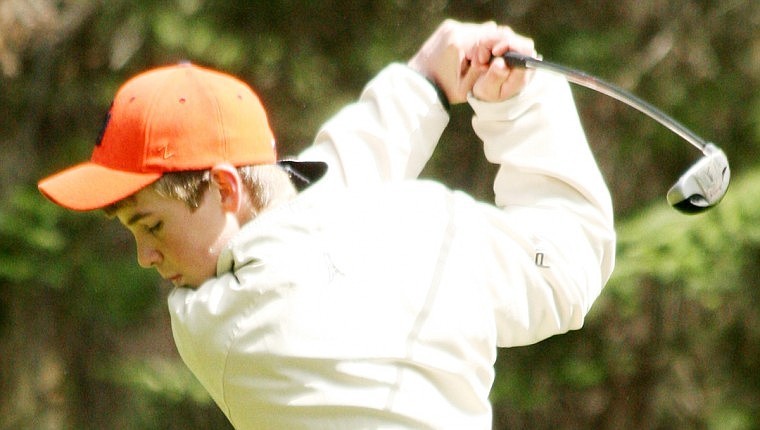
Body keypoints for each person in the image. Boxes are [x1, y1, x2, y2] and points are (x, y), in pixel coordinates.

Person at [38, 19, 615, 430]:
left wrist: (424, 81)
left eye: (152, 227)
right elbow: (567, 267)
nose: (144, 256)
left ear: (225, 188)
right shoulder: (424, 233)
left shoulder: (213, 320)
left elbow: (324, 194)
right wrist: (522, 102)